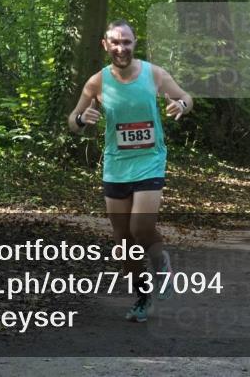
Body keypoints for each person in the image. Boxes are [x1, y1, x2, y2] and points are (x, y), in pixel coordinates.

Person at [68, 19, 193, 323]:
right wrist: (83, 119)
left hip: (150, 159)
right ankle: (142, 296)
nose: (121, 48)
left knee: (140, 228)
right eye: (115, 42)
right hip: (116, 164)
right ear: (105, 45)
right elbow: (72, 121)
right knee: (123, 239)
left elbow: (186, 97)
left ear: (135, 43)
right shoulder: (96, 82)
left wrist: (182, 106)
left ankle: (161, 262)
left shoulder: (154, 74)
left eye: (127, 42)